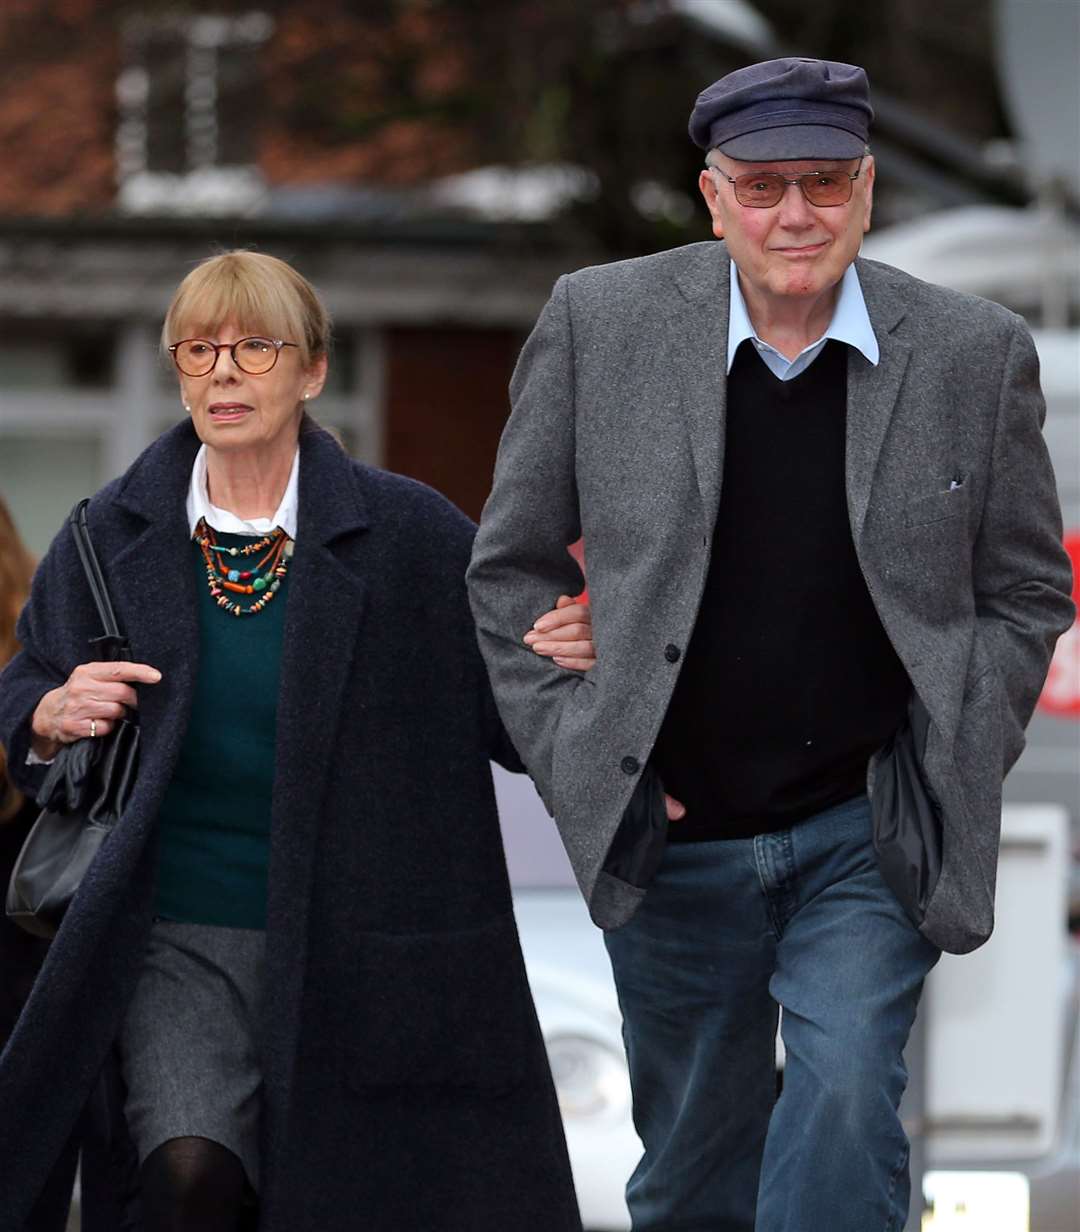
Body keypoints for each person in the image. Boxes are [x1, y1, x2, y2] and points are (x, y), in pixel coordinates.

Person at [467, 57, 1075, 1232]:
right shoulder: (602, 323)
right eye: (761, 187)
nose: (794, 213)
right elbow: (508, 574)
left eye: (824, 182)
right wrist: (586, 748)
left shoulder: (970, 350)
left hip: (865, 827)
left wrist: (954, 741)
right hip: (674, 838)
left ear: (866, 186)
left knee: (848, 1093)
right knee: (696, 1165)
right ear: (711, 196)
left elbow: (1025, 589)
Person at [0, 251, 594, 1232]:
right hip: (174, 935)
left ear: (312, 371)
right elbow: (26, 684)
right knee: (187, 1177)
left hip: (362, 942)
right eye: (200, 349)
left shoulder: (413, 535)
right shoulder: (108, 533)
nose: (224, 371)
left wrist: (568, 659)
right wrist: (47, 710)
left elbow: (513, 719)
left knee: (346, 1198)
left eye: (254, 347)